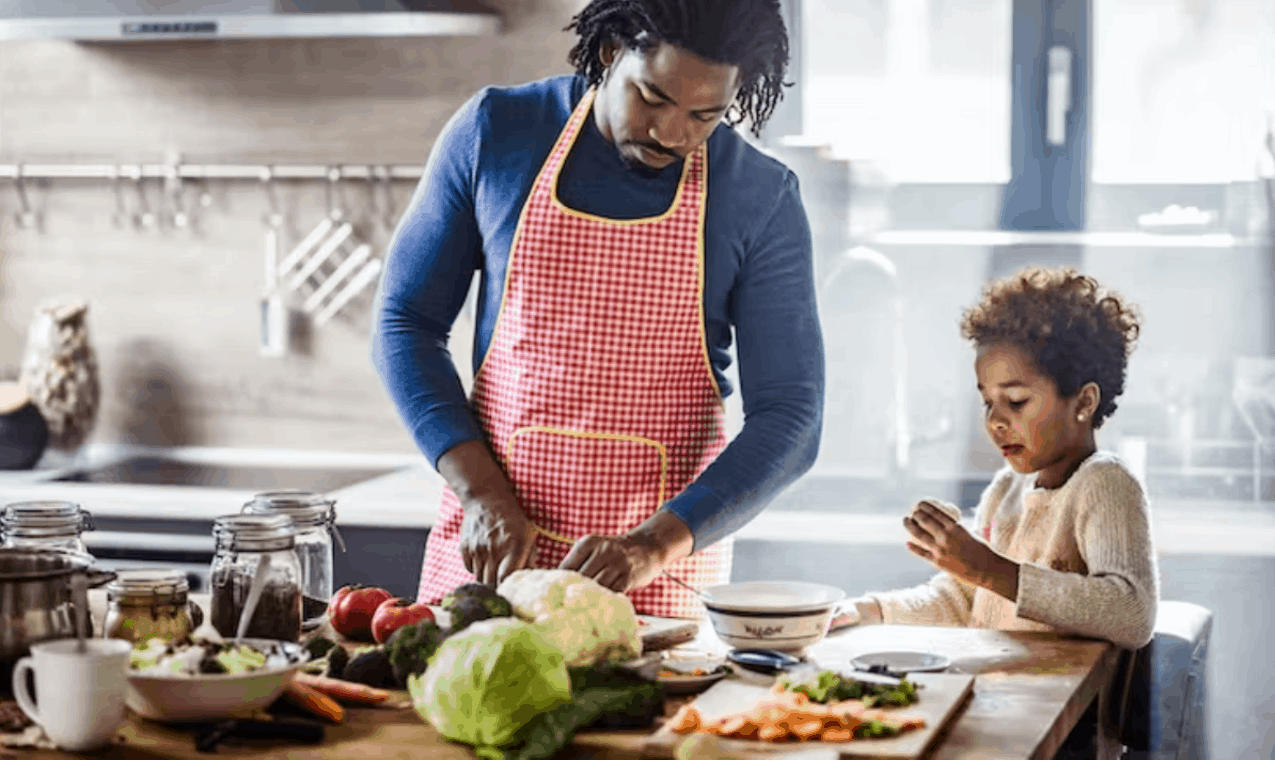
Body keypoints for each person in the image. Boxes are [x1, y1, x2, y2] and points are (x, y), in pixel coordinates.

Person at [372, 0, 824, 619]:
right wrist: (480, 492)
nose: (673, 134)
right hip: (491, 555)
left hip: (652, 583)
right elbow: (405, 323)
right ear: (611, 50)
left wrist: (651, 547)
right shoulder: (497, 133)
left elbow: (792, 415)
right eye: (652, 97)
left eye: (705, 115)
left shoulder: (760, 197)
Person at [837, 266, 1159, 759]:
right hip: (1000, 709)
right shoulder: (1007, 488)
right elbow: (962, 601)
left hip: (1063, 731)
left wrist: (992, 570)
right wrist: (870, 612)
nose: (995, 420)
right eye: (987, 402)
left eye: (1016, 400)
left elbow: (1132, 612)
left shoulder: (1104, 484)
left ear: (1085, 402)